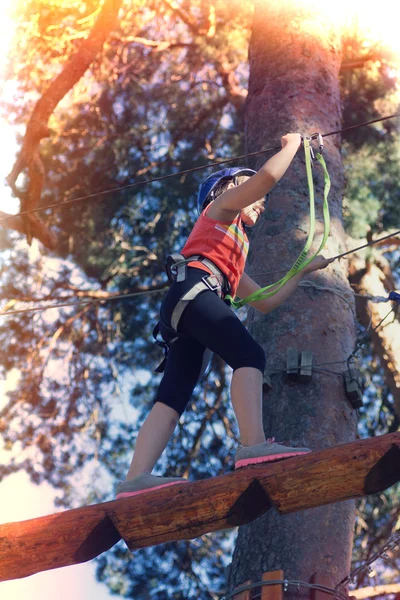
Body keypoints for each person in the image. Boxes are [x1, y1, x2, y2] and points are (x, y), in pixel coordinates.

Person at [116, 133, 332, 499]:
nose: (261, 203)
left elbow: (265, 301)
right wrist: (291, 146)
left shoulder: (232, 252)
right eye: (254, 195)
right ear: (228, 188)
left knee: (172, 400)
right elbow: (265, 179)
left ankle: (135, 478)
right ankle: (253, 446)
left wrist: (302, 272)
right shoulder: (219, 212)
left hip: (188, 306)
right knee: (250, 356)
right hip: (195, 292)